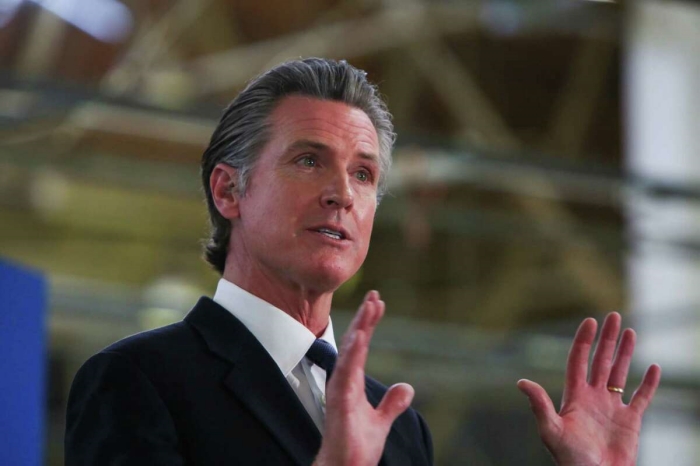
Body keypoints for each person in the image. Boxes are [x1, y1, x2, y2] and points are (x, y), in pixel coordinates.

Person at [64, 58, 661, 466]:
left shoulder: (399, 426)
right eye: (308, 160)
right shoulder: (138, 380)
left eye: (364, 174)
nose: (343, 194)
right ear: (229, 191)